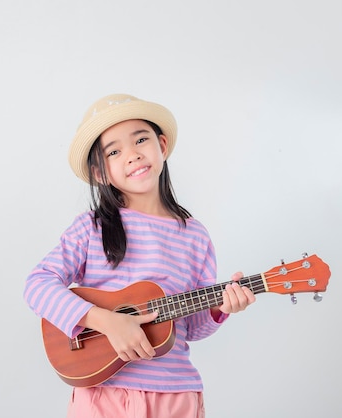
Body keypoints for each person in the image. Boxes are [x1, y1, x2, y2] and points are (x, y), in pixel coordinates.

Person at [23, 93, 256, 417]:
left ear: (161, 146)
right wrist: (106, 321)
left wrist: (220, 308)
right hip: (104, 396)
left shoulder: (195, 236)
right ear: (100, 173)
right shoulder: (91, 228)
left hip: (177, 394)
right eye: (114, 151)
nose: (132, 155)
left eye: (140, 140)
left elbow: (193, 327)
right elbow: (37, 284)